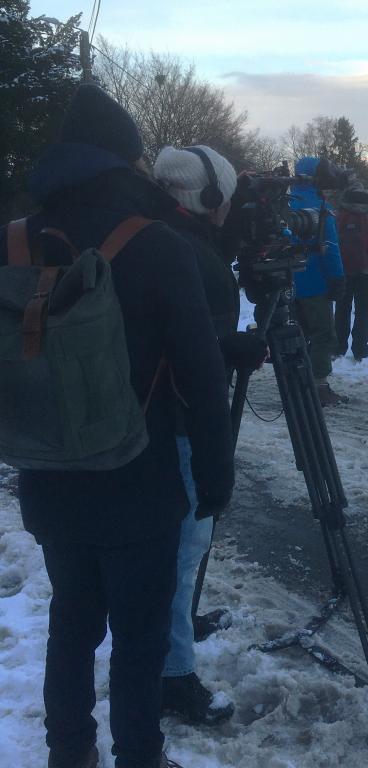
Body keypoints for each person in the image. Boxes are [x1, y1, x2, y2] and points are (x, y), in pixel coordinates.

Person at [0, 84, 234, 768]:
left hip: (48, 474)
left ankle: (69, 755)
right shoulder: (156, 244)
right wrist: (215, 478)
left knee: (71, 624)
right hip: (141, 478)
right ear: (122, 162)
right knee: (138, 639)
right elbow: (201, 375)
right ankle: (139, 756)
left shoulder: (14, 240)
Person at [151, 145, 242, 726]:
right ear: (207, 199)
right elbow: (181, 345)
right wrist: (226, 348)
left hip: (174, 418)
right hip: (182, 422)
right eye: (226, 198)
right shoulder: (178, 250)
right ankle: (173, 675)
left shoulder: (172, 238)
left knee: (185, 545)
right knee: (182, 549)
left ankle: (179, 628)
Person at [290, 157, 348, 406]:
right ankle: (319, 387)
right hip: (316, 283)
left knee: (296, 335)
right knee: (323, 334)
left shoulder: (285, 204)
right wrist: (337, 278)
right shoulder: (320, 207)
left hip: (288, 282)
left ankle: (296, 385)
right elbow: (331, 247)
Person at [334, 178, 368, 361]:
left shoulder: (340, 212)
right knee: (363, 310)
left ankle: (338, 347)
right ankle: (360, 350)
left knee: (342, 308)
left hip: (344, 267)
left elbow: (333, 239)